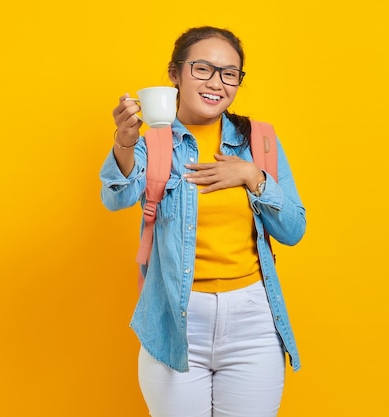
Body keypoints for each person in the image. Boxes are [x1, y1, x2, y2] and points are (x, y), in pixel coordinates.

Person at [100, 26, 306, 417]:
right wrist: (124, 144)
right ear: (174, 74)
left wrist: (253, 178)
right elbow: (116, 197)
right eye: (203, 69)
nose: (217, 83)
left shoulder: (258, 141)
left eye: (230, 73)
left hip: (253, 322)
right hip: (175, 320)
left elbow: (293, 229)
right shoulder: (155, 144)